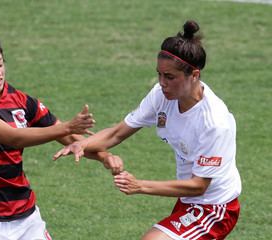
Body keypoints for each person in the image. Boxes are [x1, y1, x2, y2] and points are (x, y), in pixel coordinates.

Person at [54, 20, 241, 240]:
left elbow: (198, 186)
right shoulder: (161, 95)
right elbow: (116, 134)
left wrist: (139, 185)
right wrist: (81, 144)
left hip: (214, 208)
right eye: (160, 74)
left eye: (170, 77)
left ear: (195, 75)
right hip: (188, 201)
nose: (162, 82)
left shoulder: (214, 123)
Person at [0, 33, 123, 240]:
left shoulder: (20, 100)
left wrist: (104, 156)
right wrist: (68, 127)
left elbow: (72, 141)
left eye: (0, 64)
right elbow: (13, 137)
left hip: (25, 217)